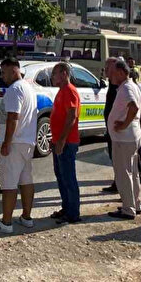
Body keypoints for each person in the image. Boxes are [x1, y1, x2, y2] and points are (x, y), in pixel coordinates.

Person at [0, 57, 38, 234]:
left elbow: (13, 117)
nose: (1, 76)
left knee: (9, 183)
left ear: (13, 69)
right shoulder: (28, 88)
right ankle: (26, 217)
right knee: (26, 180)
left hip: (15, 143)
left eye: (3, 72)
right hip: (27, 142)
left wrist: (7, 142)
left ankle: (6, 222)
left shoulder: (14, 90)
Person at [107, 58, 141, 219]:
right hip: (132, 135)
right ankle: (135, 204)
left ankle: (128, 208)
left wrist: (124, 124)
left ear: (122, 73)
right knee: (133, 172)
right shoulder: (132, 86)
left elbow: (135, 107)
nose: (110, 76)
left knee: (123, 174)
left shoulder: (127, 88)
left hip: (125, 138)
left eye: (113, 72)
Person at [48, 62, 82, 224]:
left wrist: (61, 140)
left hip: (67, 142)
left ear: (63, 73)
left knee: (68, 178)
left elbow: (71, 116)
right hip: (59, 141)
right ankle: (66, 208)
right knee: (61, 177)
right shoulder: (61, 91)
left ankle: (73, 213)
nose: (52, 77)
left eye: (54, 73)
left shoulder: (69, 91)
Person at [101, 57, 123, 193]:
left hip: (118, 130)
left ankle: (122, 187)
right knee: (114, 157)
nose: (105, 70)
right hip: (111, 128)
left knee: (120, 159)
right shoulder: (111, 84)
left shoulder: (121, 86)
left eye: (108, 68)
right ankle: (118, 182)